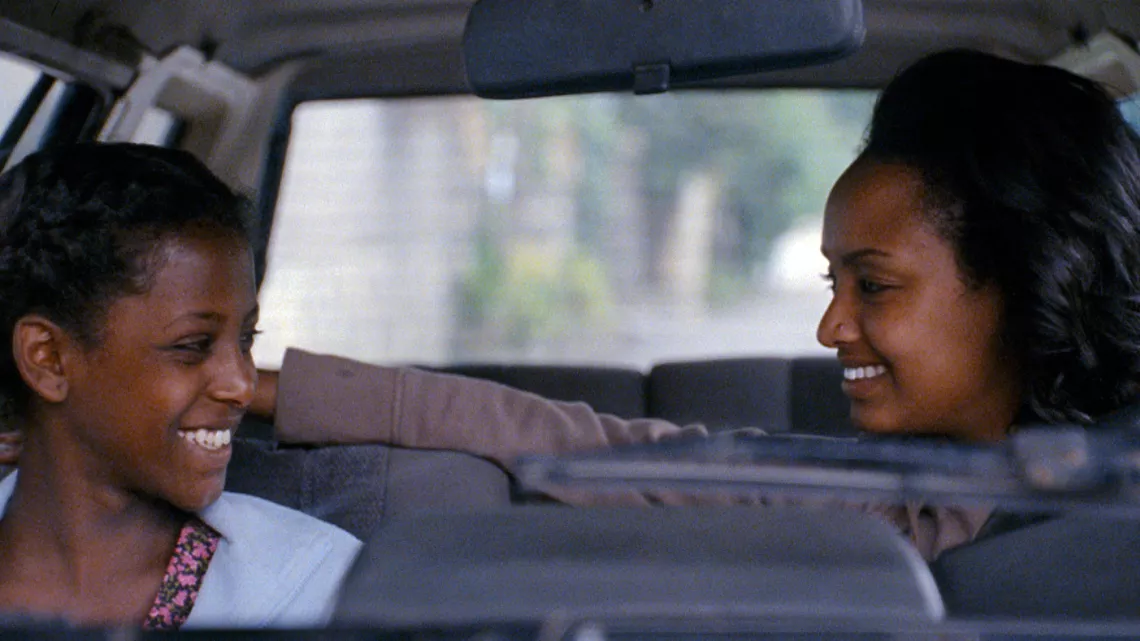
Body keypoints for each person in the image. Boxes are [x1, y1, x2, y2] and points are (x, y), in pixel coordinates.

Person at [247, 49, 1140, 562]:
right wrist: (249, 385)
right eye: (831, 284)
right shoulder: (865, 503)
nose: (830, 327)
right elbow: (570, 442)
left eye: (872, 284)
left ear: (1028, 282)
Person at [0, 144, 360, 629]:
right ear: (48, 358)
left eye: (246, 340)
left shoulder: (318, 589)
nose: (242, 385)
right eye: (192, 346)